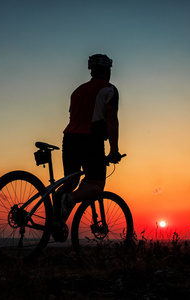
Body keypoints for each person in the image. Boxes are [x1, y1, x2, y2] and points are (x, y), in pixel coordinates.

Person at [53, 54, 122, 240]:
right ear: (107, 70)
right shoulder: (109, 89)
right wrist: (114, 150)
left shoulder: (77, 91)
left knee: (70, 182)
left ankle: (55, 218)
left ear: (91, 70)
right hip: (91, 139)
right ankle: (70, 200)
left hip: (69, 139)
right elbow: (111, 120)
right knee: (96, 185)